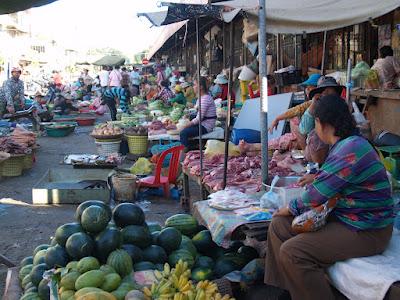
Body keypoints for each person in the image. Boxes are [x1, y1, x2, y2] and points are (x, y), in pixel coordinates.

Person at [265, 94, 394, 300]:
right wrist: (316, 176)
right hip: (347, 218)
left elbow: (314, 197)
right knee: (279, 225)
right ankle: (290, 288)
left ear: (322, 123)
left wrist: (288, 207)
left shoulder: (351, 148)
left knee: (293, 251)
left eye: (315, 122)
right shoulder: (345, 144)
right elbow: (336, 177)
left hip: (368, 229)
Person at [180, 77, 216, 148]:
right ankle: (194, 144)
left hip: (206, 126)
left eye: (195, 85)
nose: (193, 87)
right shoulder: (202, 97)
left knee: (183, 133)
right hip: (203, 122)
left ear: (201, 87)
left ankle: (190, 150)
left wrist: (186, 125)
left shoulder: (205, 99)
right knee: (189, 120)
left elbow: (199, 118)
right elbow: (197, 111)